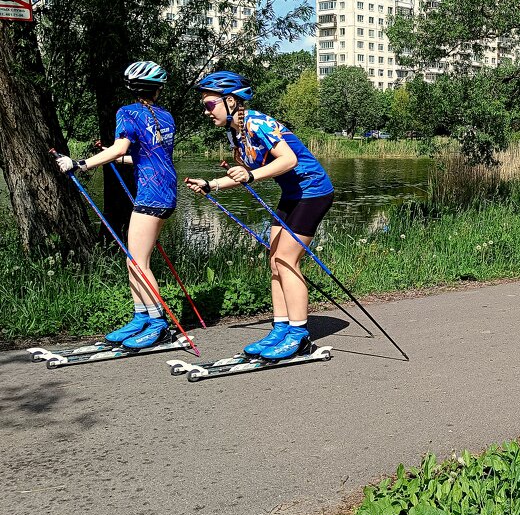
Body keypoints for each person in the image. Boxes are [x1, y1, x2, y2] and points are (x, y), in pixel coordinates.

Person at [184, 71, 334, 360]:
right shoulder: (235, 132)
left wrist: (251, 175)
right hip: (293, 194)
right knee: (275, 261)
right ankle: (281, 328)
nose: (206, 112)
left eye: (210, 105)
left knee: (286, 260)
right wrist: (212, 184)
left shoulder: (257, 123)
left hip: (314, 191)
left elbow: (289, 159)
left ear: (230, 101)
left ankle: (300, 336)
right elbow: (243, 173)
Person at [55, 61, 178, 348]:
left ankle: (158, 324)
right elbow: (147, 156)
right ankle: (141, 317)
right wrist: (113, 157)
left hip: (151, 194)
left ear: (132, 88)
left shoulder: (127, 112)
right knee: (133, 259)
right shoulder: (166, 116)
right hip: (165, 189)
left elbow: (121, 147)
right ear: (158, 89)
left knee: (138, 261)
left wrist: (80, 163)